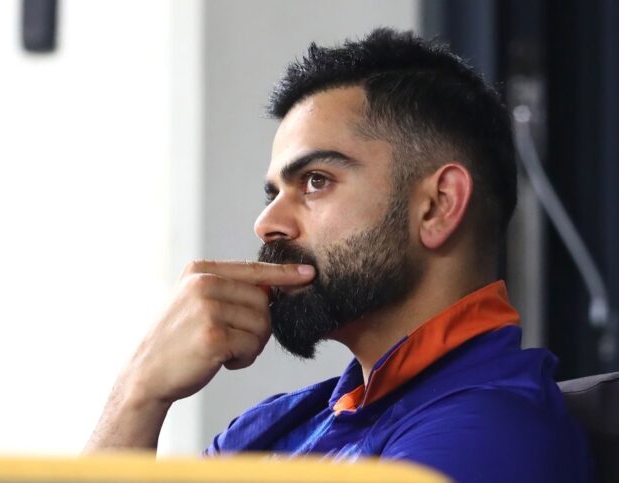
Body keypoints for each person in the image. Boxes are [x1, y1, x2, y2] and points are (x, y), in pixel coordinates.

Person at [86, 28, 594, 482]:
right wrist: (138, 393)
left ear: (438, 205)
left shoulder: (490, 438)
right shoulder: (274, 428)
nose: (267, 223)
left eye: (315, 181)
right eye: (274, 193)